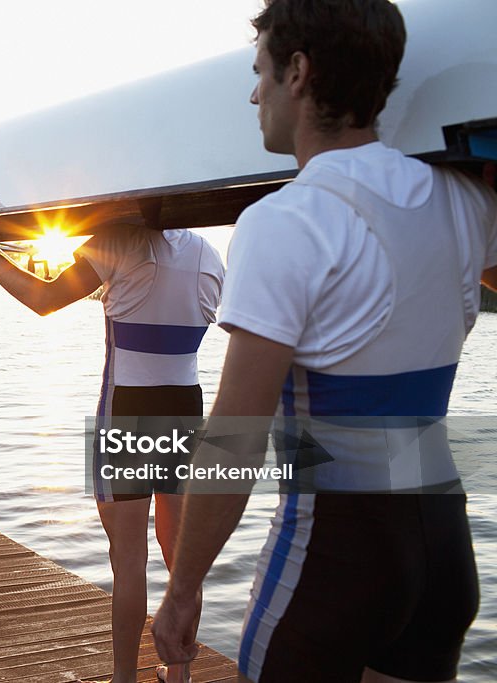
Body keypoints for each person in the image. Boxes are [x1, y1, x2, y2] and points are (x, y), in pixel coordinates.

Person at [150, 2, 497, 682]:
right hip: (443, 549)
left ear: (299, 73)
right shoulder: (466, 202)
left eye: (261, 73)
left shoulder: (286, 220)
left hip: (338, 554)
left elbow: (236, 435)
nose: (255, 93)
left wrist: (185, 583)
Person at [0, 215, 223, 683]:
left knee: (129, 559)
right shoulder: (210, 254)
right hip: (186, 406)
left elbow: (44, 298)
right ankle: (179, 675)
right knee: (181, 555)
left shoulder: (118, 237)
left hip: (128, 405)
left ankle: (123, 677)